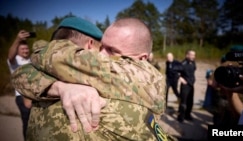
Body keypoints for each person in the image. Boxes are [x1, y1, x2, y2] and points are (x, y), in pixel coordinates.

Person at [12, 17, 175, 141]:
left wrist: (40, 49)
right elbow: (21, 74)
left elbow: (51, 58)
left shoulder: (142, 75)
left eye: (112, 51)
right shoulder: (80, 76)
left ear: (141, 59)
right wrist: (60, 87)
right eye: (102, 47)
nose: (102, 55)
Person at [7, 30, 32, 139]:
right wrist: (18, 39)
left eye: (27, 48)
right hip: (21, 96)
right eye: (22, 49)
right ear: (17, 51)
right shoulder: (15, 61)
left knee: (36, 122)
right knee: (27, 123)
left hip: (33, 96)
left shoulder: (31, 60)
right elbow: (10, 55)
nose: (26, 51)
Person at [177, 50, 196, 123]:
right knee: (183, 102)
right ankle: (181, 117)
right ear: (187, 55)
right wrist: (180, 78)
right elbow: (174, 71)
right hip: (185, 86)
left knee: (190, 101)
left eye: (194, 55)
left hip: (191, 85)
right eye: (191, 55)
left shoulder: (193, 63)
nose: (193, 56)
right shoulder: (183, 63)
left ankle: (188, 115)